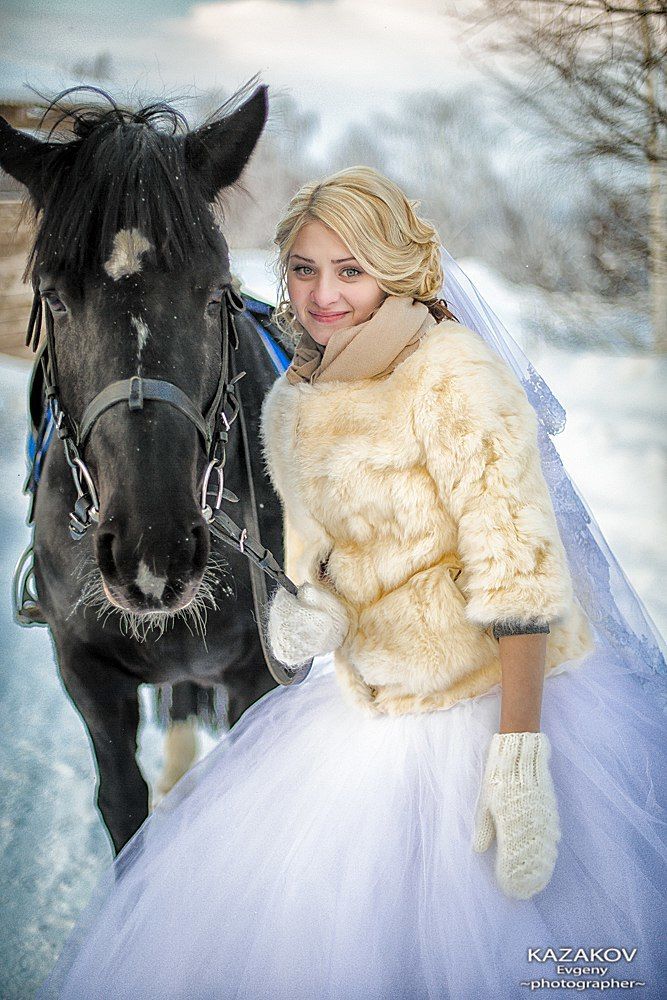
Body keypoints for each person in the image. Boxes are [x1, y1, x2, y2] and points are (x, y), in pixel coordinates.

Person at [39, 167, 666, 1000]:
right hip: (368, 713)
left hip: (489, 711)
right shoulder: (300, 393)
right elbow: (343, 557)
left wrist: (518, 760)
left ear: (395, 271)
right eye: (302, 269)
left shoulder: (455, 379)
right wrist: (319, 611)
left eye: (350, 269)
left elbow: (521, 579)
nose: (322, 294)